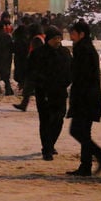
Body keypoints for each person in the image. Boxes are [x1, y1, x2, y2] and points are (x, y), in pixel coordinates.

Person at [66, 21, 101, 176]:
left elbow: (80, 76)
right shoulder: (85, 48)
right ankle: (85, 166)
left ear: (81, 34)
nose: (71, 37)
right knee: (83, 132)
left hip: (85, 97)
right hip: (89, 96)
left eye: (73, 33)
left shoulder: (83, 50)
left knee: (77, 131)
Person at [27, 26, 71, 160]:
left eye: (59, 38)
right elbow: (31, 71)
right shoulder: (38, 53)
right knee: (46, 121)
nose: (58, 41)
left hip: (60, 91)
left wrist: (66, 81)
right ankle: (47, 148)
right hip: (44, 92)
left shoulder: (65, 52)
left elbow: (71, 69)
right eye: (55, 38)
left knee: (58, 120)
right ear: (48, 39)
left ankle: (51, 144)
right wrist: (40, 84)